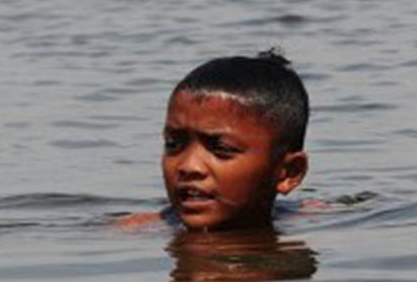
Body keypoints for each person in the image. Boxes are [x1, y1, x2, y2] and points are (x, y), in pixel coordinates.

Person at [117, 49, 309, 231]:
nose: (189, 166)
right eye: (173, 145)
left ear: (288, 173)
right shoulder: (134, 231)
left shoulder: (316, 222)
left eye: (221, 148)